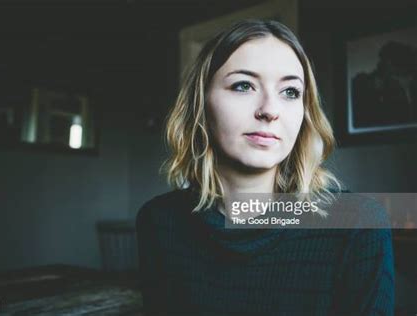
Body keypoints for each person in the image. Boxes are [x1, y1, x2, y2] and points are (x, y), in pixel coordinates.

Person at [136, 19, 394, 316]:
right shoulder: (158, 221)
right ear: (201, 104)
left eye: (290, 92)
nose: (270, 110)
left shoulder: (358, 224)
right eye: (243, 85)